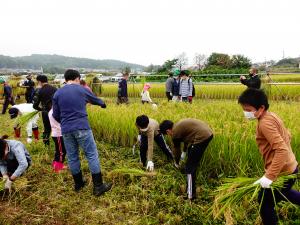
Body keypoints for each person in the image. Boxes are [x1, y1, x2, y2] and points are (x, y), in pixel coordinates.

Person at [238, 88, 300, 225]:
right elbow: (287, 135)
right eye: (244, 109)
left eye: (248, 109)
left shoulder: (265, 123)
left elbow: (282, 150)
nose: (246, 113)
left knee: (264, 204)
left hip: (282, 173)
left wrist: (269, 176)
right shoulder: (271, 116)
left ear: (261, 107)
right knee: (285, 193)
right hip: (290, 168)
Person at [52, 69, 112, 196]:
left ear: (65, 79)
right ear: (77, 78)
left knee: (72, 156)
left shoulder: (58, 93)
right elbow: (95, 99)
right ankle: (98, 187)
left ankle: (78, 184)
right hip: (82, 127)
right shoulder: (81, 89)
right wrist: (103, 104)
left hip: (66, 130)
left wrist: (64, 122)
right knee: (91, 155)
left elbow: (55, 115)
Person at [159, 119, 213, 200]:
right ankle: (191, 184)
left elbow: (176, 150)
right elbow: (187, 139)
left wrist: (176, 163)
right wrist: (185, 151)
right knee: (191, 153)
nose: (169, 136)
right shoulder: (178, 126)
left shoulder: (175, 133)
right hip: (207, 133)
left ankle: (190, 196)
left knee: (189, 167)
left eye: (167, 134)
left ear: (168, 131)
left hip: (202, 137)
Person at [33, 75, 57, 145]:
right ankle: (58, 143)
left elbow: (35, 105)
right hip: (55, 111)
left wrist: (40, 109)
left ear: (39, 81)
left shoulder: (39, 91)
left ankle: (46, 143)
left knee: (47, 128)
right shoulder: (55, 89)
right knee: (57, 127)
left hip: (45, 112)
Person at [49, 108, 67, 173]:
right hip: (58, 134)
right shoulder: (55, 111)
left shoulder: (53, 110)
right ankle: (58, 168)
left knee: (58, 151)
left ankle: (56, 164)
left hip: (57, 134)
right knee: (62, 152)